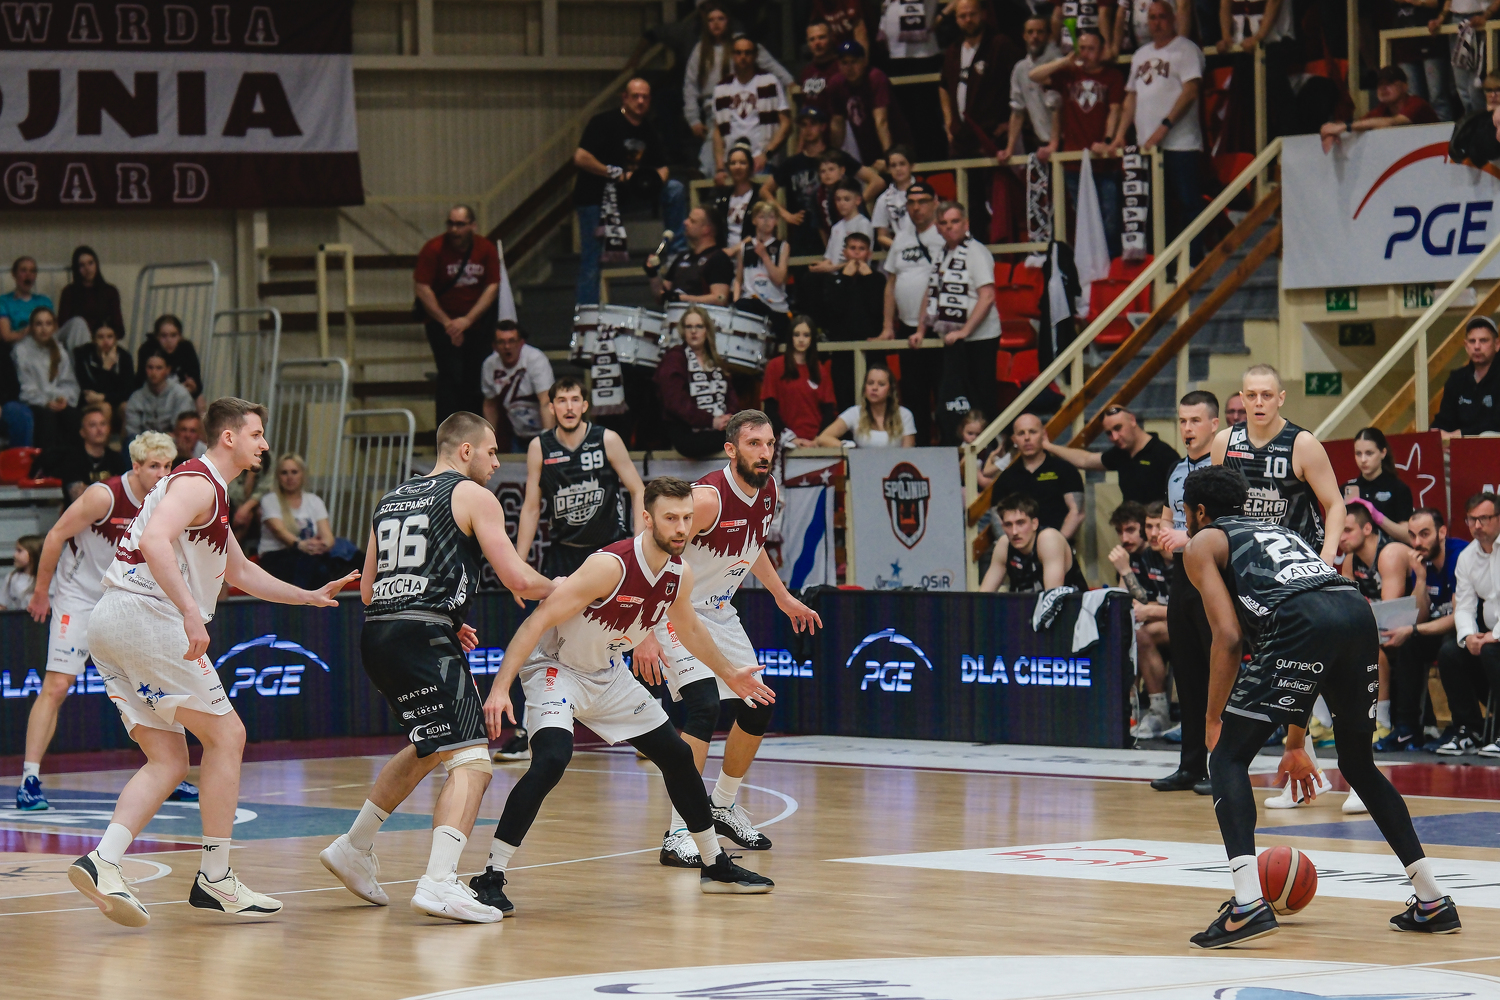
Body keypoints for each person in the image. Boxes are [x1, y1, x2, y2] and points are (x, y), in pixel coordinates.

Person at [67, 398, 358, 927]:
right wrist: (189, 613)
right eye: (257, 434)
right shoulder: (198, 482)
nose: (264, 444)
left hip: (113, 621)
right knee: (228, 735)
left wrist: (309, 595)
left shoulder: (210, 492)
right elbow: (154, 539)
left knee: (169, 760)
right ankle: (215, 877)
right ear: (229, 437)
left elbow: (241, 573)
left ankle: (103, 860)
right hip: (147, 616)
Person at [1181, 465, 1460, 948]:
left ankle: (1247, 904)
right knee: (1358, 764)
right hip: (1354, 613)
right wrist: (1295, 742)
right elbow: (1308, 658)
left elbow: (1228, 636)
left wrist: (1211, 719)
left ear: (1199, 511)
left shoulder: (1203, 542)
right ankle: (1432, 899)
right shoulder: (1280, 531)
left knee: (1226, 758)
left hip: (1302, 620)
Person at [469, 476, 778, 913]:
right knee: (552, 759)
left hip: (608, 674)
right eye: (670, 518)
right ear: (647, 519)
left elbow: (690, 629)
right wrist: (500, 688)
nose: (681, 528)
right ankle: (490, 875)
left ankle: (715, 865)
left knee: (676, 755)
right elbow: (536, 622)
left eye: (687, 518)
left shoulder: (679, 574)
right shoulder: (609, 566)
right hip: (557, 669)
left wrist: (731, 673)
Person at [318, 412, 555, 922]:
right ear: (465, 451)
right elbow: (517, 578)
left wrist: (444, 616)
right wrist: (573, 588)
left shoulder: (390, 499)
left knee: (430, 744)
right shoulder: (472, 495)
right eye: (492, 452)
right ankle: (440, 882)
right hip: (422, 636)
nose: (497, 463)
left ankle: (353, 847)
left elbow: (370, 590)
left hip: (379, 634)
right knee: (472, 761)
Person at [633, 412, 822, 866]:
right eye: (754, 443)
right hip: (674, 610)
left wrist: (783, 597)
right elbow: (648, 550)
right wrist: (644, 629)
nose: (765, 452)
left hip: (718, 611)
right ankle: (679, 831)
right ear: (731, 449)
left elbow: (752, 546)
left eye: (770, 443)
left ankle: (721, 804)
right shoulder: (706, 499)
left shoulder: (767, 489)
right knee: (703, 707)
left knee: (759, 702)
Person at [15, 432, 176, 812]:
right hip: (80, 595)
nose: (162, 473)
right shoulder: (104, 496)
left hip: (125, 597)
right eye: (154, 466)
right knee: (57, 685)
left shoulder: (170, 498)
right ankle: (29, 780)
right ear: (136, 466)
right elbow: (55, 535)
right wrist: (41, 592)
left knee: (154, 684)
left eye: (168, 466)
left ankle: (169, 770)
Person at [498, 377, 645, 763]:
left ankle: (645, 724)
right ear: (551, 407)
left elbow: (637, 489)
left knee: (625, 633)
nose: (567, 406)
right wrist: (517, 566)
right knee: (543, 637)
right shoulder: (539, 447)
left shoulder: (607, 439)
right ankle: (527, 731)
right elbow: (531, 507)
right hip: (564, 556)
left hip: (607, 554)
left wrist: (638, 546)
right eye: (561, 400)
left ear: (584, 405)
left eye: (574, 399)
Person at [1151, 390, 1220, 792]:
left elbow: (1231, 525)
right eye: (1182, 421)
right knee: (1187, 672)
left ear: (1214, 424)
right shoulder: (1176, 469)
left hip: (1215, 574)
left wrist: (1188, 536)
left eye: (1195, 420)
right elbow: (1167, 517)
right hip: (1182, 575)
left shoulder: (1225, 467)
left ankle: (1222, 767)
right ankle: (1191, 765)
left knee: (1218, 672)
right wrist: (1165, 533)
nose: (1187, 428)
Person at [1211, 364, 1346, 565]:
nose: (1259, 403)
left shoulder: (1302, 443)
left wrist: (1327, 556)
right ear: (1242, 399)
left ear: (1280, 398)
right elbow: (1216, 505)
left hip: (1298, 560)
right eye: (1251, 395)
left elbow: (1335, 504)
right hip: (1245, 560)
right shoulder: (1224, 442)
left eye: (1267, 395)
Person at [574, 78, 689, 306]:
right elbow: (581, 157)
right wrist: (614, 174)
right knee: (592, 259)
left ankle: (677, 251)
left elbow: (663, 167)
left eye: (645, 97)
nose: (640, 101)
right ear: (625, 98)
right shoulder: (603, 122)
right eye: (636, 96)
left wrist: (654, 182)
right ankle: (587, 313)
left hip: (631, 192)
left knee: (675, 189)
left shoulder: (648, 129)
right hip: (596, 195)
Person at [1109, 1, 1205, 263]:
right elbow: (1131, 97)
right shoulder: (1140, 54)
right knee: (1152, 209)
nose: (1157, 22)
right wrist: (1120, 134)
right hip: (1147, 146)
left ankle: (1193, 262)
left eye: (1162, 17)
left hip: (1181, 143)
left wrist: (1165, 126)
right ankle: (1160, 265)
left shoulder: (1186, 49)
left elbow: (1190, 92)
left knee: (1188, 203)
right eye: (1152, 18)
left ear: (1173, 18)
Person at [1029, 28, 1124, 257]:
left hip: (1104, 160)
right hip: (1074, 160)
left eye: (1091, 49)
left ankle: (1110, 264)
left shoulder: (1112, 76)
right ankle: (1088, 265)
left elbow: (1115, 111)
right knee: (1083, 218)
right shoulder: (1068, 74)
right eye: (1082, 48)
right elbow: (1034, 76)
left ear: (1101, 51)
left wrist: (1107, 141)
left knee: (1110, 218)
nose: (1086, 53)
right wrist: (1064, 61)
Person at [1381, 507, 1463, 752]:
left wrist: (1414, 630)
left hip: (1464, 629)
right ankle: (1407, 728)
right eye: (1412, 535)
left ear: (1442, 532)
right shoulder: (1421, 561)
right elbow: (1421, 615)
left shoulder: (1460, 556)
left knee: (1447, 646)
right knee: (1409, 644)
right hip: (1437, 628)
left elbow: (1460, 617)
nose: (1417, 542)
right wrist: (1421, 578)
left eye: (1424, 534)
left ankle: (1462, 727)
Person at [916, 201, 1001, 432]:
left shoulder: (976, 252)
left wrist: (965, 331)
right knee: (956, 401)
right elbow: (931, 292)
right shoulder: (941, 253)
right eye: (944, 223)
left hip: (979, 339)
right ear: (937, 227)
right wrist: (921, 330)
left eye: (955, 221)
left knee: (981, 400)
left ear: (966, 224)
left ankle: (989, 447)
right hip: (953, 341)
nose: (949, 227)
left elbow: (987, 296)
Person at [684, 3, 793, 177]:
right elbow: (690, 86)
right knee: (715, 139)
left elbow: (770, 64)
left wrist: (790, 82)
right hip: (715, 105)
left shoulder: (741, 43)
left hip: (746, 102)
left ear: (728, 21)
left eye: (720, 19)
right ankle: (705, 173)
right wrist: (693, 119)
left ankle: (708, 171)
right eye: (711, 20)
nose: (716, 24)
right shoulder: (700, 50)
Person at [414, 205, 501, 425]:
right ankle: (448, 433)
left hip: (476, 324)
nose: (454, 230)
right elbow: (422, 287)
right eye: (451, 224)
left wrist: (468, 320)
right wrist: (448, 323)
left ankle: (475, 431)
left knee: (477, 379)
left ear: (473, 226)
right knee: (450, 377)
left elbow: (492, 286)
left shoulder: (486, 249)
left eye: (460, 225)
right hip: (442, 323)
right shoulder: (433, 248)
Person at [1339, 501, 1416, 741]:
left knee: (1372, 648)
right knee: (1329, 641)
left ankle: (1381, 722)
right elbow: (1345, 605)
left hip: (1413, 623)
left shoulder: (1390, 553)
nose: (1341, 537)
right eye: (1339, 530)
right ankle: (1325, 720)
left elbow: (1388, 614)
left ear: (1367, 529)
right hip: (1380, 625)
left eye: (1347, 530)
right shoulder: (1351, 559)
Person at [763, 108, 884, 258]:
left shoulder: (837, 157)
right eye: (803, 125)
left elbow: (877, 181)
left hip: (841, 230)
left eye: (813, 124)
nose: (808, 129)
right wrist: (785, 215)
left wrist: (854, 204)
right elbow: (765, 190)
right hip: (805, 235)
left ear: (823, 126)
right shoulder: (791, 163)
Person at [877, 180, 944, 442]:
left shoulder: (944, 234)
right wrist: (887, 326)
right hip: (907, 327)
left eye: (922, 202)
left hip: (938, 327)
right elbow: (891, 283)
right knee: (914, 395)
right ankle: (920, 448)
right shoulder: (902, 238)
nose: (916, 208)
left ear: (935, 203)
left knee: (943, 394)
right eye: (911, 203)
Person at [1435, 492, 1500, 756]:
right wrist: (1469, 635)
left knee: (1491, 651)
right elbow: (1463, 605)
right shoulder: (1467, 557)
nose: (1477, 525)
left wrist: (1495, 635)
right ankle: (1470, 729)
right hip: (1490, 636)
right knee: (1451, 651)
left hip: (1496, 637)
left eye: (1484, 518)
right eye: (1472, 519)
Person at [1108, 500, 1172, 736]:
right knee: (1127, 632)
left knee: (1140, 633)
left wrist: (1151, 610)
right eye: (1149, 527)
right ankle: (1129, 709)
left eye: (1158, 527)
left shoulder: (1184, 555)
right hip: (1166, 623)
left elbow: (1192, 608)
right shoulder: (1148, 557)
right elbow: (1139, 601)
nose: (1153, 534)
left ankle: (1158, 712)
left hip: (1197, 625)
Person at [1043, 404, 1180, 504]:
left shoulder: (1164, 454)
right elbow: (1085, 460)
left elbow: (1180, 499)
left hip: (1159, 528)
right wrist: (1048, 446)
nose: (1114, 437)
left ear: (1132, 420)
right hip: (1132, 527)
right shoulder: (1120, 454)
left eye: (1118, 428)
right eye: (1109, 433)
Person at [655, 306, 739, 458]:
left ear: (707, 330)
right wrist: (711, 421)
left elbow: (731, 394)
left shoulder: (716, 360)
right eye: (689, 327)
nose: (694, 331)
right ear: (683, 331)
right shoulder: (674, 359)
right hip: (687, 432)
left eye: (699, 326)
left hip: (720, 427)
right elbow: (675, 402)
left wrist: (728, 418)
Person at [939, 0, 1021, 157]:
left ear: (983, 14)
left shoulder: (1000, 44)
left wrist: (1011, 123)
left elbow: (1023, 82)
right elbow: (943, 86)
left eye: (972, 14)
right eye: (962, 16)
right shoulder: (953, 50)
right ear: (956, 19)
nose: (968, 20)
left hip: (993, 138)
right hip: (961, 141)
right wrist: (949, 123)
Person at [257, 453, 348, 589]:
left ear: (303, 475)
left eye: (294, 472)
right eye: (284, 473)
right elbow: (278, 531)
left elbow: (328, 536)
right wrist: (301, 545)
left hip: (310, 555)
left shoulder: (314, 501)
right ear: (278, 477)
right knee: (314, 567)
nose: (289, 477)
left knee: (332, 562)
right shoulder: (269, 500)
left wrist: (322, 545)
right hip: (277, 556)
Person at [994, 413, 1086, 538]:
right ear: (1014, 440)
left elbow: (1077, 512)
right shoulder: (1005, 478)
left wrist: (1056, 543)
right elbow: (997, 517)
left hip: (1058, 544)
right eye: (1021, 433)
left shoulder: (1065, 470)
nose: (1027, 438)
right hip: (1018, 545)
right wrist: (1012, 544)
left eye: (1032, 432)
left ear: (1043, 434)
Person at [711, 37, 791, 179]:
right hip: (733, 161)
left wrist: (767, 154)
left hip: (762, 160)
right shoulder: (722, 88)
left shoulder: (769, 82)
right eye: (738, 53)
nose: (743, 57)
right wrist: (720, 167)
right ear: (732, 55)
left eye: (747, 53)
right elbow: (718, 131)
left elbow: (785, 123)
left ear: (755, 55)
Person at [820, 234, 887, 404]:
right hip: (842, 350)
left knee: (874, 401)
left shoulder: (878, 279)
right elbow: (833, 312)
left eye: (861, 249)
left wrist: (869, 278)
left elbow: (876, 310)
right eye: (852, 248)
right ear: (845, 252)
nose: (857, 253)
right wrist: (845, 278)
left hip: (872, 349)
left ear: (869, 254)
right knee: (845, 400)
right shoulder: (833, 280)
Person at [979, 493, 1088, 591]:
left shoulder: (1048, 538)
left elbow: (1052, 597)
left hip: (1072, 606)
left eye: (1020, 523)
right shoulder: (1004, 544)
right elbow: (983, 597)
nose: (1014, 531)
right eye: (1008, 525)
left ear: (1034, 524)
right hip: (1028, 605)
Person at [1321, 65, 1440, 153]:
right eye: (1379, 84)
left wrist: (1343, 127)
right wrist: (1331, 130)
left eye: (1389, 83)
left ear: (1405, 86)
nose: (1383, 88)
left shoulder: (1417, 103)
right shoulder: (1382, 109)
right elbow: (1360, 123)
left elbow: (1395, 122)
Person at [829, 40, 908, 168]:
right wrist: (833, 159)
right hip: (865, 148)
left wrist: (889, 158)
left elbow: (881, 122)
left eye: (854, 62)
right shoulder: (836, 84)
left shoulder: (876, 78)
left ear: (864, 61)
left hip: (895, 144)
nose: (850, 68)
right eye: (844, 63)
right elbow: (837, 124)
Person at [480, 320, 555, 453]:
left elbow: (546, 401)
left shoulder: (535, 359)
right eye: (501, 342)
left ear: (521, 343)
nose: (507, 346)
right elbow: (490, 405)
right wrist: (490, 440)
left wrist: (548, 441)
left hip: (542, 430)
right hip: (518, 434)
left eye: (512, 341)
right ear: (494, 346)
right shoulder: (490, 365)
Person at [760, 316, 836, 446]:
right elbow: (770, 410)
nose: (801, 339)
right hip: (785, 443)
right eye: (796, 335)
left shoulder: (820, 370)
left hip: (816, 444)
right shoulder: (774, 367)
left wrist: (817, 440)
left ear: (812, 338)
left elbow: (829, 411)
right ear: (790, 337)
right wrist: (790, 438)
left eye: (806, 335)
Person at [16, 307, 81, 457]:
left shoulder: (59, 350)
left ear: (54, 327)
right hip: (33, 402)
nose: (44, 329)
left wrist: (63, 399)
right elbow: (25, 388)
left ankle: (72, 462)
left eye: (48, 323)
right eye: (39, 324)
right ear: (31, 327)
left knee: (73, 417)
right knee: (47, 419)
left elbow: (69, 383)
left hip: (56, 401)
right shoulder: (21, 351)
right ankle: (46, 463)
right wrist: (46, 401)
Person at [815, 364, 917, 447]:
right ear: (865, 388)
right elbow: (823, 438)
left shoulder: (904, 415)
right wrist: (849, 448)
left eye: (881, 384)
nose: (874, 388)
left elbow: (908, 454)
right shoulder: (854, 413)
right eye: (870, 383)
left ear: (890, 390)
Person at [1343, 427, 1415, 544]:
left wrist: (1378, 517)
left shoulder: (1398, 488)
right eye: (1358, 454)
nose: (1363, 460)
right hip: (1355, 550)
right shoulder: (1347, 488)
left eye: (1369, 453)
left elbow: (1408, 536)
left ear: (1383, 453)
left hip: (1391, 549)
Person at [1005, 16, 1064, 159]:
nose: (1035, 36)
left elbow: (1057, 107)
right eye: (1030, 32)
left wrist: (1054, 144)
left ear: (1049, 35)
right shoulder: (1020, 69)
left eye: (1040, 32)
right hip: (1041, 142)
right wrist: (1009, 149)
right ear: (1024, 36)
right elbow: (1017, 111)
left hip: (1065, 141)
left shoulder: (1059, 63)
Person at [653, 206, 734, 308]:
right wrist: (653, 274)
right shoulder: (682, 257)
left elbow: (720, 299)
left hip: (703, 315)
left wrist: (681, 298)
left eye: (692, 221)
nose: (685, 222)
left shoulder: (718, 259)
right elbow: (661, 296)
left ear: (706, 229)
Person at [1432, 316, 1500, 438]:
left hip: (1492, 445)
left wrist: (1461, 434)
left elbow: (1496, 423)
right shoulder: (1457, 379)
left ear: (1497, 344)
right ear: (1466, 345)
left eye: (1483, 340)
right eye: (1472, 341)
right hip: (1458, 445)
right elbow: (1445, 419)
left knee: (1487, 435)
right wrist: (1436, 432)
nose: (1477, 346)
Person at [51, 405, 128, 504]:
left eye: (103, 424)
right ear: (82, 432)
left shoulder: (116, 459)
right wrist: (111, 492)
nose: (99, 429)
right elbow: (78, 497)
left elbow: (123, 494)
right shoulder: (72, 459)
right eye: (92, 425)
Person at [732, 201, 791, 328]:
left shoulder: (782, 246)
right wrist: (736, 299)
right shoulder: (744, 247)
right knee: (745, 305)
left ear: (776, 221)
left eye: (771, 217)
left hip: (775, 306)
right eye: (762, 217)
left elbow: (779, 279)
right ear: (754, 220)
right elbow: (738, 279)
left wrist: (764, 256)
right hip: (751, 301)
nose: (766, 221)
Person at [1430, 0, 1493, 116]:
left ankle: (1482, 120)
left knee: (1476, 86)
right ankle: (1471, 121)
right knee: (1461, 85)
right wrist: (1440, 18)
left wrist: (1486, 15)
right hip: (1456, 17)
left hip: (1481, 16)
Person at [56, 246, 125, 353]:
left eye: (90, 263)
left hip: (100, 338)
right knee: (78, 323)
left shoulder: (109, 291)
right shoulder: (69, 291)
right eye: (82, 265)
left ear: (96, 264)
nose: (87, 268)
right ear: (77, 269)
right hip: (74, 337)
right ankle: (83, 360)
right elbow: (63, 324)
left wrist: (100, 337)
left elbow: (119, 328)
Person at [123, 353, 195, 438]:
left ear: (168, 370)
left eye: (159, 368)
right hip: (144, 442)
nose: (154, 372)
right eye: (150, 367)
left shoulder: (181, 395)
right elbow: (132, 432)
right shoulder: (136, 398)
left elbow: (183, 429)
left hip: (174, 441)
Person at [74, 322, 134, 420]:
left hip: (114, 401)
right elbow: (88, 392)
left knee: (126, 408)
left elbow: (128, 392)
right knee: (105, 407)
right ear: (93, 339)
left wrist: (103, 397)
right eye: (101, 337)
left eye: (110, 337)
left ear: (116, 339)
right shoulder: (83, 355)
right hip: (88, 404)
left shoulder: (124, 356)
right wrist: (105, 369)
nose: (106, 341)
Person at [134, 316, 202, 400]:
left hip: (180, 396)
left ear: (180, 336)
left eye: (173, 335)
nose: (169, 341)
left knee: (200, 400)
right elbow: (140, 381)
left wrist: (193, 388)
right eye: (164, 336)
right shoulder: (148, 349)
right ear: (157, 337)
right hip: (152, 396)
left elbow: (197, 383)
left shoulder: (186, 349)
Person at [712, 145, 761, 250]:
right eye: (733, 163)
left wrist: (735, 250)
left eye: (742, 163)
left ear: (750, 166)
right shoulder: (723, 197)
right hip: (725, 253)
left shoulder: (759, 195)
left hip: (752, 252)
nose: (737, 167)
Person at [871, 145, 918, 247]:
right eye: (893, 165)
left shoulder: (926, 193)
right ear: (888, 169)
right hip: (898, 251)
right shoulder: (884, 199)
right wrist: (899, 247)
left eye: (902, 164)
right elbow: (881, 236)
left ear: (911, 166)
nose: (898, 169)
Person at [0, 256, 53, 345]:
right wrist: (27, 331)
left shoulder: (44, 301)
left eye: (32, 271)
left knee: (76, 323)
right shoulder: (4, 301)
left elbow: (54, 329)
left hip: (45, 343)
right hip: (19, 344)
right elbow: (6, 336)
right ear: (14, 274)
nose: (28, 275)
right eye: (23, 270)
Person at [799, 21, 843, 115]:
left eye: (821, 37)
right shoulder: (806, 72)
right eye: (812, 39)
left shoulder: (842, 68)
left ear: (832, 37)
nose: (817, 43)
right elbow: (805, 104)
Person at [2, 535, 42, 610]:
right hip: (20, 616)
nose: (14, 555)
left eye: (19, 551)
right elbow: (3, 605)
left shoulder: (51, 578)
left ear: (33, 553)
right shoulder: (12, 578)